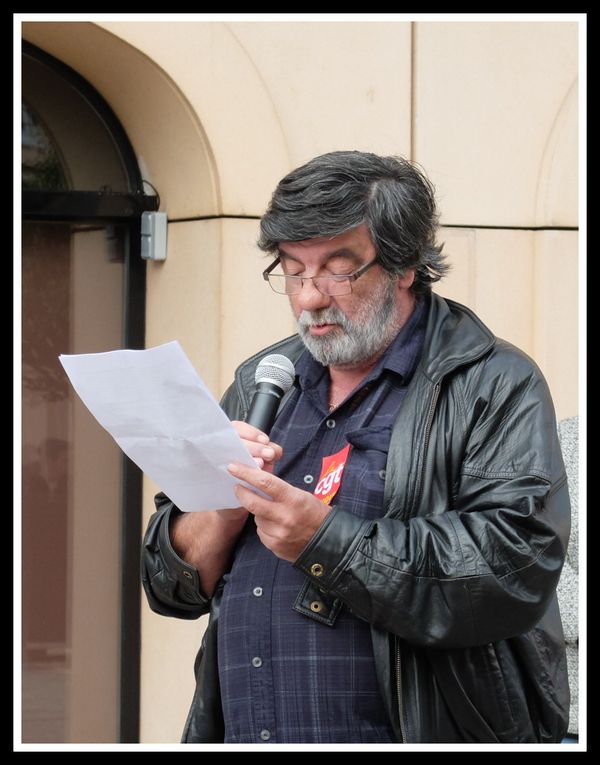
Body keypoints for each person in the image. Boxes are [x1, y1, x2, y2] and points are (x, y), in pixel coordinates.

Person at [142, 150, 570, 744]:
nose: (310, 298)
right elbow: (167, 585)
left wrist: (324, 540)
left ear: (404, 266)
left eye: (338, 270)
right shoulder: (260, 381)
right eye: (292, 271)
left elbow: (511, 569)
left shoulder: (491, 382)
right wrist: (221, 508)